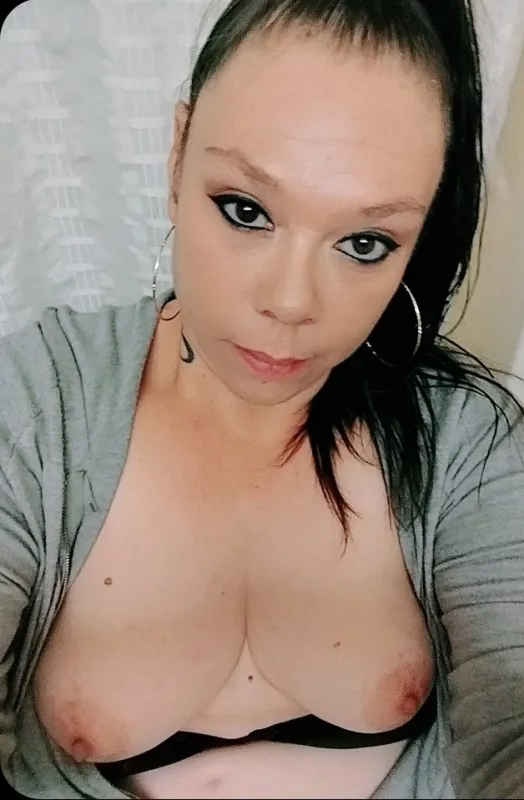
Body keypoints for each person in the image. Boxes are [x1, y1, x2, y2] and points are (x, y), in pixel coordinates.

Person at [1, 0, 524, 797]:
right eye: (246, 211)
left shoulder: (463, 437)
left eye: (365, 242)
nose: (290, 302)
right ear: (177, 155)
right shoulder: (39, 407)